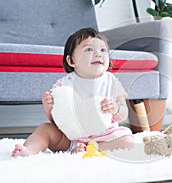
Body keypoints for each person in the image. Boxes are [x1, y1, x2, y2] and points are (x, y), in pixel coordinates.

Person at [12, 27, 134, 157]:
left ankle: (90, 149)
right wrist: (48, 108)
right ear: (71, 61)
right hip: (70, 137)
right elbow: (57, 118)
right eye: (88, 50)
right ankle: (29, 150)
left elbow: (123, 114)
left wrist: (115, 109)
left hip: (105, 136)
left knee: (128, 141)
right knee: (45, 128)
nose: (98, 54)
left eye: (103, 50)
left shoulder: (112, 82)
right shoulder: (63, 84)